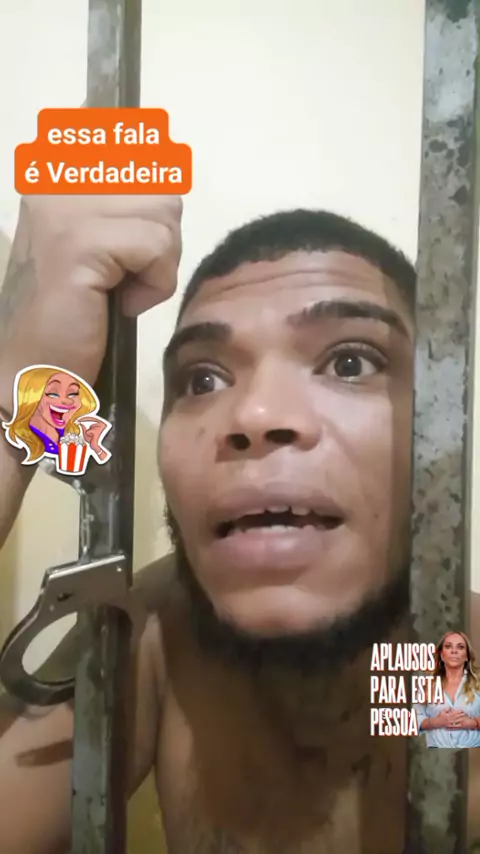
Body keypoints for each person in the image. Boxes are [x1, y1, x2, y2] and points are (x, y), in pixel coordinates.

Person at [0, 195, 477, 853]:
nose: (255, 415)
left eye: (350, 362)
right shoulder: (153, 633)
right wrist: (21, 383)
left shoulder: (459, 661)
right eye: (202, 380)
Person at [1, 364, 111, 470]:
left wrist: (95, 447)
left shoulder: (73, 435)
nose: (67, 401)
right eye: (53, 394)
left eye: (73, 394)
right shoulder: (21, 438)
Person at [415, 631, 480, 748]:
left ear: (467, 656)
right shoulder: (426, 685)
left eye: (460, 647)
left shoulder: (478, 684)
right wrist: (437, 722)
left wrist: (472, 723)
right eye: (448, 646)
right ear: (441, 655)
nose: (454, 651)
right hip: (436, 752)